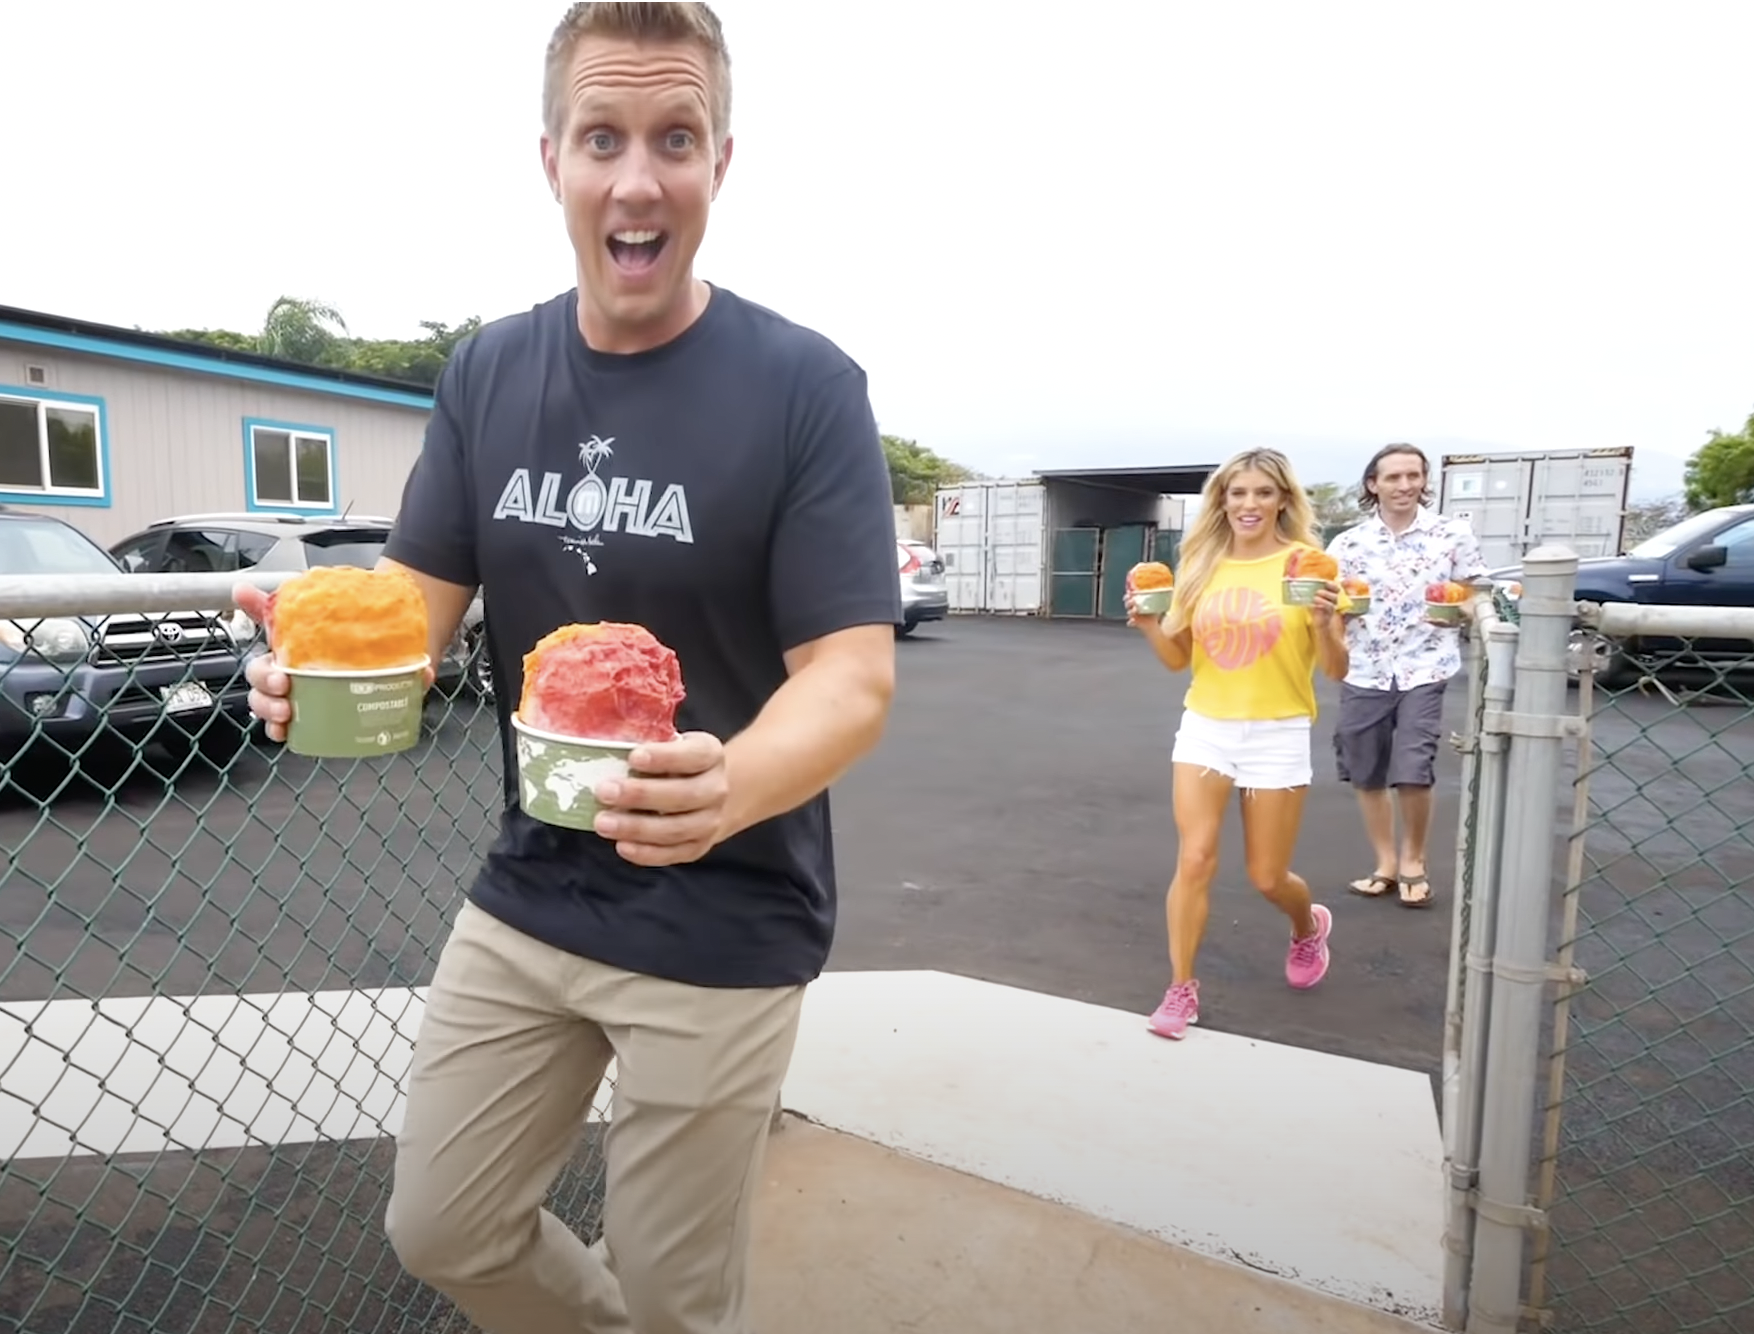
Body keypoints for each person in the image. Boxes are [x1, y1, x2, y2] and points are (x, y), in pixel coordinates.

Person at [235, 6, 900, 1333]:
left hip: (725, 907)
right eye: (603, 137)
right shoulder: (489, 372)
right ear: (552, 160)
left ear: (722, 161)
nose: (637, 177)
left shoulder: (805, 387)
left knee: (674, 1293)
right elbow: (413, 612)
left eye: (675, 138)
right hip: (532, 891)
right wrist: (319, 656)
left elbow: (849, 674)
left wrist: (729, 782)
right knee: (441, 1223)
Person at [1125, 448, 1350, 1042]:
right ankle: (1181, 988)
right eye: (1237, 493)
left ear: (1282, 500)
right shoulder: (1200, 567)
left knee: (1267, 877)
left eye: (1262, 493)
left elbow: (1335, 670)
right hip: (1207, 727)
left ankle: (1307, 926)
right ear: (1222, 501)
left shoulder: (1309, 565)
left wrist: (1328, 626)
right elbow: (1179, 661)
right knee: (1194, 858)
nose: (1249, 504)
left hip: (1278, 731)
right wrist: (1150, 624)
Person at [1326, 442, 1485, 909]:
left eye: (1413, 476)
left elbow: (1478, 594)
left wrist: (1458, 611)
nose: (1404, 485)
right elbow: (1330, 603)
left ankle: (1414, 859)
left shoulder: (1451, 536)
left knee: (1414, 766)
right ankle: (1386, 864)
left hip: (1425, 665)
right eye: (1393, 477)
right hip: (1365, 668)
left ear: (1424, 481)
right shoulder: (1348, 544)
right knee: (1366, 769)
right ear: (1373, 485)